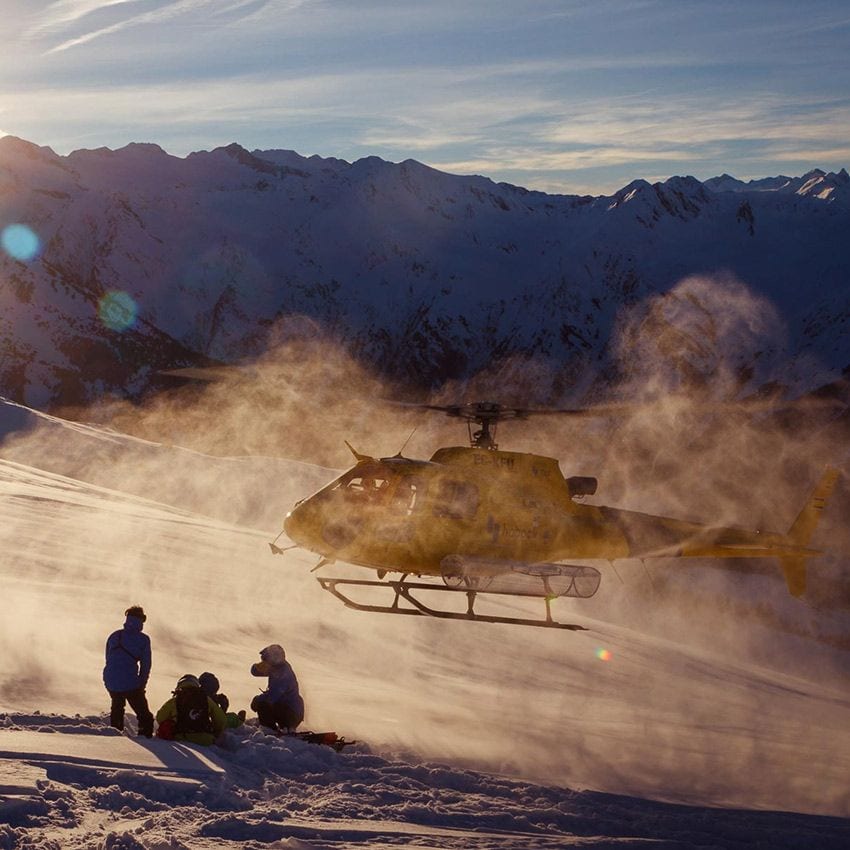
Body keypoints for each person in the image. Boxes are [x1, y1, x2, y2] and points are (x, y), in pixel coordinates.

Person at [103, 605, 154, 737]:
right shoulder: (143, 639)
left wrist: (111, 677)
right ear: (141, 620)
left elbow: (108, 659)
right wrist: (142, 683)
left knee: (117, 707)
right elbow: (146, 665)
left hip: (110, 679)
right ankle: (146, 738)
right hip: (130, 682)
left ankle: (115, 734)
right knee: (145, 715)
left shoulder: (115, 635)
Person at [155, 674, 227, 745]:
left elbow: (159, 718)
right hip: (205, 740)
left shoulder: (174, 700)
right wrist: (216, 733)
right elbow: (221, 720)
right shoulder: (206, 699)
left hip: (181, 738)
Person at [250, 644, 304, 733]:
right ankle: (279, 729)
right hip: (289, 710)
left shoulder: (283, 672)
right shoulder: (276, 668)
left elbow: (273, 696)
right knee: (264, 703)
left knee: (263, 704)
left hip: (291, 712)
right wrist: (258, 666)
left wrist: (257, 699)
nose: (266, 663)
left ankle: (271, 731)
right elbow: (255, 672)